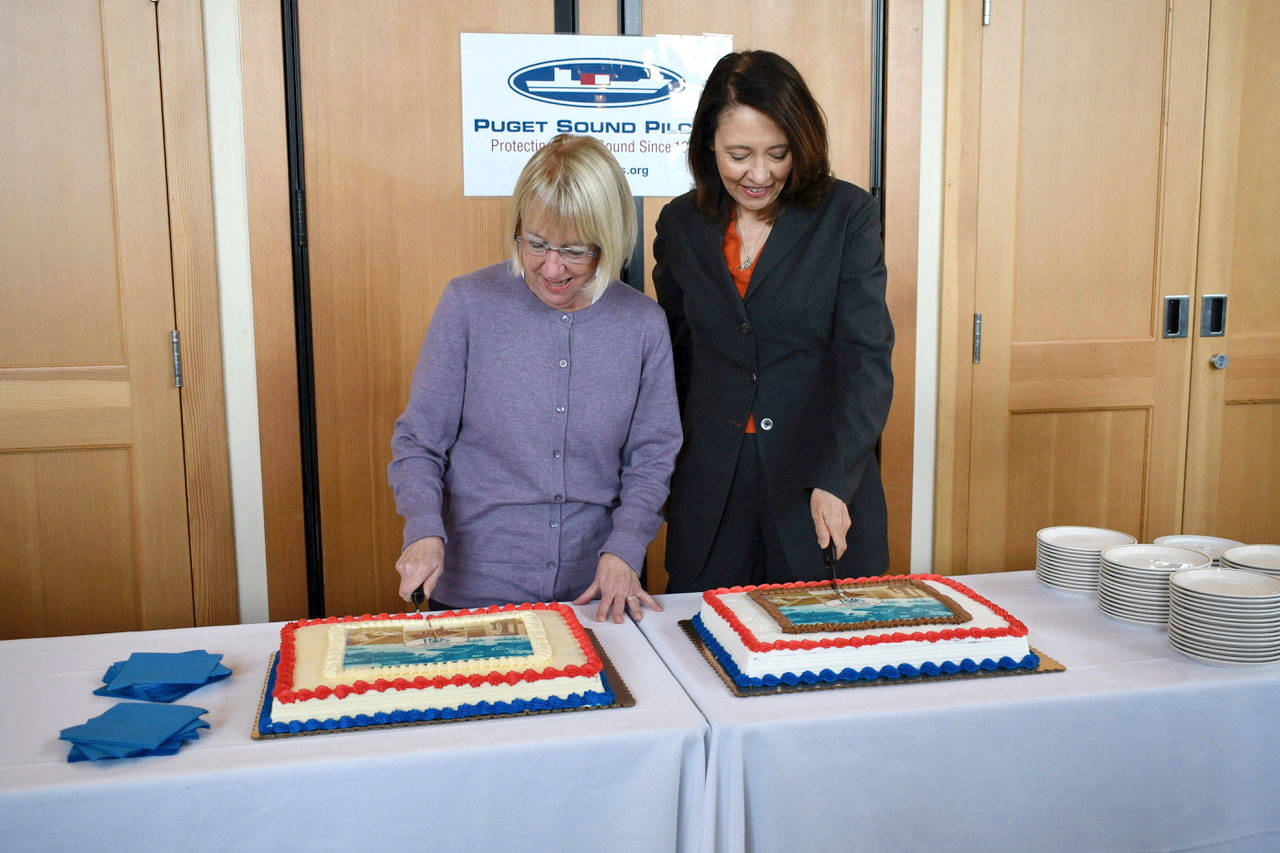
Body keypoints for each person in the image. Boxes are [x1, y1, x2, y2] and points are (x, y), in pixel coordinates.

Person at [389, 134, 681, 622]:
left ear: (607, 240)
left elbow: (653, 456)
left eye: (573, 250)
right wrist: (422, 530)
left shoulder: (643, 323)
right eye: (536, 243)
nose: (551, 267)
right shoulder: (468, 305)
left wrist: (626, 546)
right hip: (473, 592)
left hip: (596, 593)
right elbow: (420, 442)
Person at [653, 50, 893, 592]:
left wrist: (837, 480)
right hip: (712, 488)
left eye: (777, 154)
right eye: (739, 154)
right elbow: (674, 362)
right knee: (703, 647)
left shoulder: (847, 216)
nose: (759, 174)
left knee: (822, 654)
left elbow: (865, 360)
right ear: (707, 145)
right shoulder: (681, 224)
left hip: (817, 482)